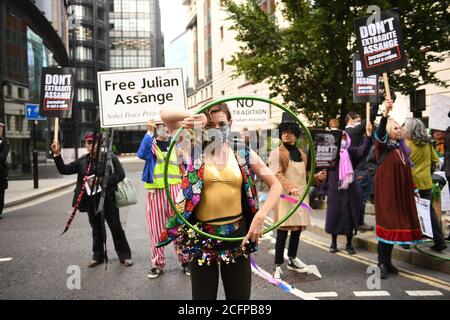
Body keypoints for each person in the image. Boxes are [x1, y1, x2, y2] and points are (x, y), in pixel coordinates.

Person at [157, 103, 282, 300]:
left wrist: (260, 216)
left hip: (237, 239)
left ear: (230, 123)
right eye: (211, 125)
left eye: (221, 123)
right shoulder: (194, 149)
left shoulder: (243, 153)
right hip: (202, 239)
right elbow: (166, 116)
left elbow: (276, 185)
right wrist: (193, 116)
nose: (216, 129)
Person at [51, 132, 133, 267]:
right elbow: (64, 170)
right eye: (88, 143)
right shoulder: (82, 161)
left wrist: (101, 180)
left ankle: (125, 255)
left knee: (115, 227)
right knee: (96, 228)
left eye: (94, 143)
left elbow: (120, 175)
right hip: (91, 201)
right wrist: (57, 154)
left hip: (108, 199)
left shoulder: (109, 158)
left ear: (99, 144)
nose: (91, 146)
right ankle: (98, 256)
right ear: (86, 145)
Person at [269, 112, 326, 280]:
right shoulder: (276, 153)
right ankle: (278, 265)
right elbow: (276, 174)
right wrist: (290, 187)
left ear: (296, 133)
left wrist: (317, 178)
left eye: (290, 131)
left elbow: (305, 176)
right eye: (283, 131)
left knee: (297, 231)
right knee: (282, 231)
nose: (286, 134)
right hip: (285, 198)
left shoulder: (302, 154)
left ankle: (292, 259)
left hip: (301, 197)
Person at [373, 99, 423, 279]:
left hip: (400, 193)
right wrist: (385, 114)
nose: (399, 130)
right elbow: (379, 133)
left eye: (400, 128)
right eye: (395, 128)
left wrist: (414, 189)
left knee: (394, 227)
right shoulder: (383, 146)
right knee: (386, 226)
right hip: (387, 193)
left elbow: (408, 173)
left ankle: (388, 261)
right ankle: (381, 263)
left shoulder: (402, 149)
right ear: (388, 131)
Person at [137, 119, 189, 279]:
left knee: (180, 228)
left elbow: (187, 167)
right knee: (156, 230)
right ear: (156, 128)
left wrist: (184, 158)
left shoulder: (177, 145)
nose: (167, 128)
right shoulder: (151, 144)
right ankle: (157, 263)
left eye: (168, 126)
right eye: (163, 126)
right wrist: (148, 132)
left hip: (176, 190)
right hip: (157, 191)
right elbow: (142, 154)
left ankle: (186, 261)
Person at [324, 122, 373, 255]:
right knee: (334, 215)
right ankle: (333, 243)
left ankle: (349, 244)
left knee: (349, 215)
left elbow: (363, 151)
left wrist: (368, 137)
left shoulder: (350, 153)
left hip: (350, 190)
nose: (342, 140)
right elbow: (322, 169)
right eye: (340, 138)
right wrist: (322, 186)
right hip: (335, 189)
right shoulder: (330, 153)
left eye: (344, 138)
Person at [404, 118, 447, 252]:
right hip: (426, 182)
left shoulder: (406, 143)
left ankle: (406, 240)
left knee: (408, 212)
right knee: (429, 212)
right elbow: (435, 160)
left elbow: (403, 164)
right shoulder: (427, 143)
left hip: (411, 183)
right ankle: (439, 241)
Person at [345, 112, 374, 232]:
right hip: (360, 170)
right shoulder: (352, 132)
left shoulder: (347, 133)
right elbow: (369, 119)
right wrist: (376, 102)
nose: (359, 121)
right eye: (357, 119)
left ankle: (356, 222)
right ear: (350, 120)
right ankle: (359, 222)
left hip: (356, 169)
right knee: (361, 199)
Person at [0, 123, 10, 219]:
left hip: (1, 172)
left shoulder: (5, 142)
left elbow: (3, 156)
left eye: (1, 129)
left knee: (1, 193)